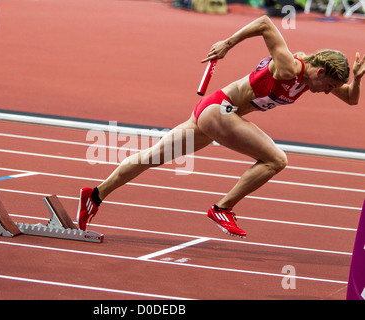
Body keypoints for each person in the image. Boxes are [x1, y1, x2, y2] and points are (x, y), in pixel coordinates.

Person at [76, 15, 364, 238]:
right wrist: (228, 43)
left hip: (212, 114)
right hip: (219, 111)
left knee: (150, 158)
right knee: (276, 159)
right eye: (328, 86)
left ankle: (95, 195)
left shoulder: (311, 80)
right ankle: (222, 208)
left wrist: (359, 81)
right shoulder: (290, 68)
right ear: (321, 71)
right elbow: (265, 23)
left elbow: (351, 99)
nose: (327, 92)